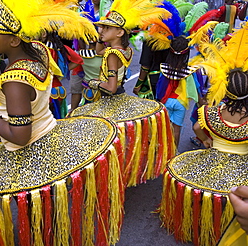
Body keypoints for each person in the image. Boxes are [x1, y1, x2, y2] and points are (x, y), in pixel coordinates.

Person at [0, 0, 126, 244]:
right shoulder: (38, 52)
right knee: (52, 206)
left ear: (15, 40)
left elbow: (20, 135)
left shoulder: (14, 79)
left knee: (37, 214)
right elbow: (30, 91)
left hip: (27, 152)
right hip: (50, 137)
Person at [158, 22, 248, 246]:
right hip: (241, 166)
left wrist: (208, 141)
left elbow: (198, 128)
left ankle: (201, 223)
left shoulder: (212, 112)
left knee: (205, 190)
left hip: (213, 155)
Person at [70, 0, 176, 187]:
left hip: (108, 98)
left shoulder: (112, 54)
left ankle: (105, 175)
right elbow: (99, 50)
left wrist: (93, 83)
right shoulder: (124, 50)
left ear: (119, 32)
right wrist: (100, 37)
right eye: (101, 27)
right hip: (120, 95)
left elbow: (110, 86)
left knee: (100, 138)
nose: (101, 31)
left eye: (106, 28)